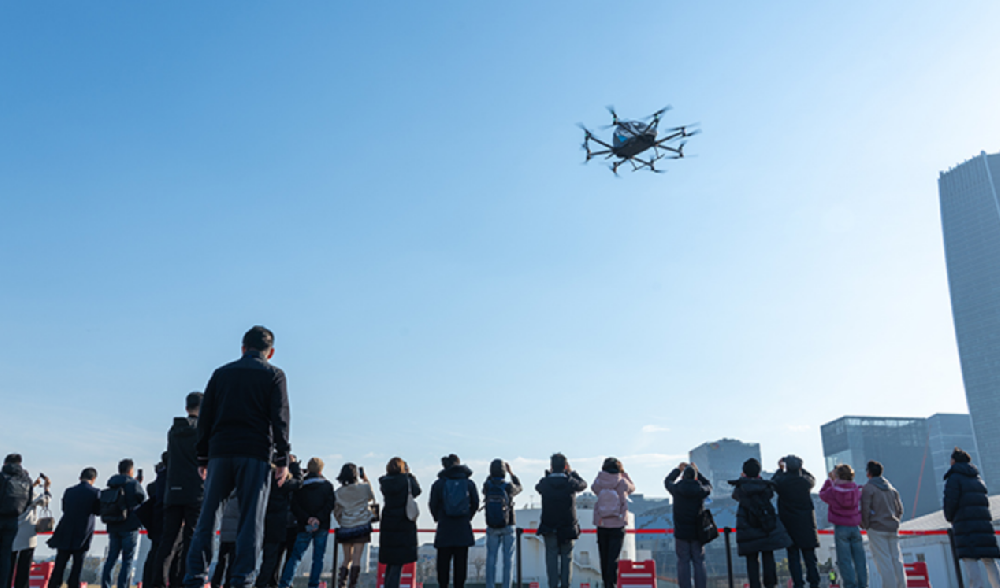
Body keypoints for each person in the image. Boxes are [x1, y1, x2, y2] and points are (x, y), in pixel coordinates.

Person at [185, 326, 291, 588]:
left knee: (208, 517)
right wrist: (282, 458)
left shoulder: (221, 374)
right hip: (256, 453)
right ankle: (241, 580)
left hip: (220, 452)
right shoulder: (274, 375)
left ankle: (196, 577)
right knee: (251, 522)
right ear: (271, 352)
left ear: (242, 348)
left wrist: (202, 457)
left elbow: (206, 416)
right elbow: (280, 418)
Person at [154, 392, 205, 588]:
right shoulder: (202, 430)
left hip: (173, 490)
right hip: (195, 490)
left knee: (168, 541)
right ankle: (183, 581)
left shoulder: (173, 431)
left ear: (186, 408)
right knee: (191, 540)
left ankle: (158, 581)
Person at [943, 447, 1000, 588]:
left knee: (970, 559)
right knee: (989, 559)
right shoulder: (977, 478)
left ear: (954, 461)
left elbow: (950, 501)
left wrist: (949, 517)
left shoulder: (954, 478)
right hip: (983, 524)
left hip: (965, 524)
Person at [731, 458, 792, 588]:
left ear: (744, 472)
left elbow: (735, 495)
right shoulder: (766, 487)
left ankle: (755, 585)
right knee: (768, 555)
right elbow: (770, 492)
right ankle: (770, 584)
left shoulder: (741, 488)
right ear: (759, 472)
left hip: (747, 526)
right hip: (765, 525)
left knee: (751, 559)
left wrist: (744, 479)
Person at [278, 458, 334, 588]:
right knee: (318, 558)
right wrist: (318, 518)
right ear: (321, 470)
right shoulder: (327, 486)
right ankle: (313, 584)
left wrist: (307, 518)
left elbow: (295, 505)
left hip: (304, 525)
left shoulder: (301, 485)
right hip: (322, 525)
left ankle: (284, 583)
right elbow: (329, 505)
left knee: (296, 556)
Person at [535, 453, 587, 588]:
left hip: (549, 525)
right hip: (567, 526)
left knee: (551, 558)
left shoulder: (545, 483)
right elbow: (583, 484)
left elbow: (538, 487)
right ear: (565, 466)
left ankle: (552, 585)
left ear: (551, 466)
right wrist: (572, 473)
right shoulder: (570, 483)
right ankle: (565, 585)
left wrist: (548, 475)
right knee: (567, 557)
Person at [429, 454, 479, 588]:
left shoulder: (439, 484)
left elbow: (432, 504)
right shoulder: (469, 483)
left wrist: (438, 518)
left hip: (444, 528)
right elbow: (475, 503)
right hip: (462, 528)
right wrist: (467, 517)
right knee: (461, 565)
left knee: (443, 565)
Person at [46, 468, 100, 588]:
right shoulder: (95, 493)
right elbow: (97, 511)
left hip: (66, 529)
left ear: (80, 477)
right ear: (94, 479)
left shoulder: (69, 491)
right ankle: (73, 585)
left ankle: (54, 585)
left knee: (60, 563)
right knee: (77, 565)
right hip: (83, 532)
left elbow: (64, 508)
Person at [773, 456, 820, 588]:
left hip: (789, 524)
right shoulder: (805, 482)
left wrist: (780, 470)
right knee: (810, 556)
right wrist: (801, 468)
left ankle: (798, 583)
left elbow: (773, 482)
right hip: (806, 524)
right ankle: (814, 582)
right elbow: (812, 478)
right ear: (799, 467)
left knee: (793, 556)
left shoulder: (782, 482)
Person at [101, 458, 147, 588]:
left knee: (111, 559)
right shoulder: (133, 484)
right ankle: (122, 586)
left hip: (113, 525)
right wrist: (138, 483)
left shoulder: (111, 484)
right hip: (130, 526)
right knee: (127, 560)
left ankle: (106, 585)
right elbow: (142, 498)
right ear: (131, 470)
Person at [665, 462, 712, 588]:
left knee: (683, 562)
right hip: (697, 533)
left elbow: (667, 481)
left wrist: (677, 470)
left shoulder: (676, 489)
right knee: (699, 561)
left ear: (683, 477)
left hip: (681, 533)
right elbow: (709, 485)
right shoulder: (700, 490)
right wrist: (698, 473)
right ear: (695, 477)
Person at [257, 459, 303, 588]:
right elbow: (298, 482)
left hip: (264, 522)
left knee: (269, 558)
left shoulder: (265, 478)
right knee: (271, 560)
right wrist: (294, 465)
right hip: (278, 524)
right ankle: (263, 583)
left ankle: (267, 582)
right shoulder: (280, 481)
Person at [819, 465, 867, 588]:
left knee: (844, 560)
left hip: (841, 527)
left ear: (838, 475)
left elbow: (822, 494)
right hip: (855, 527)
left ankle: (850, 585)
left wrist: (830, 480)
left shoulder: (833, 491)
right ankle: (863, 584)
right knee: (860, 559)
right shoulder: (857, 490)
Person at [591, 458, 635, 588]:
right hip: (618, 523)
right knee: (613, 558)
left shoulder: (599, 481)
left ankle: (606, 583)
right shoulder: (622, 481)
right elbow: (632, 488)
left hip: (602, 523)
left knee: (603, 556)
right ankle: (612, 584)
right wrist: (625, 474)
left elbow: (594, 488)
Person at [860, 461, 905, 588]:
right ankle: (902, 585)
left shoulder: (868, 488)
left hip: (876, 528)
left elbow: (865, 509)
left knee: (884, 561)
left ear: (868, 473)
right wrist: (895, 520)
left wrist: (866, 525)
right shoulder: (891, 489)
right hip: (892, 527)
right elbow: (900, 510)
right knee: (896, 559)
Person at [379, 458, 421, 588]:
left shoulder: (385, 483)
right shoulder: (407, 481)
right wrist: (409, 474)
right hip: (403, 523)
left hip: (388, 524)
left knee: (391, 563)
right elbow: (417, 491)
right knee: (398, 563)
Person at [334, 463, 378, 588]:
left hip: (346, 526)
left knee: (346, 558)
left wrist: (341, 520)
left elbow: (336, 510)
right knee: (357, 559)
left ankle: (341, 583)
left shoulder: (339, 492)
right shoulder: (364, 488)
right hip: (361, 526)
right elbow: (372, 497)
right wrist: (366, 479)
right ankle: (352, 584)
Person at [482, 460, 522, 588]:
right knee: (508, 559)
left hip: (492, 525)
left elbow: (486, 487)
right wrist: (511, 473)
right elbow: (519, 487)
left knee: (491, 558)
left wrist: (491, 475)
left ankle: (490, 585)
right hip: (508, 524)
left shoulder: (487, 486)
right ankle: (506, 586)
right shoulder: (508, 487)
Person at [11, 472, 51, 588]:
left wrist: (33, 486)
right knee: (23, 569)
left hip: (10, 534)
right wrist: (46, 488)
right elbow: (45, 500)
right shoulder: (31, 493)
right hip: (27, 536)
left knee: (7, 567)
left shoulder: (7, 491)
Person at [1, 454, 34, 588]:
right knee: (6, 556)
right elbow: (29, 501)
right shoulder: (27, 480)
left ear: (5, 463)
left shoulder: (2, 477)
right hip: (14, 520)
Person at [213, 494, 240, 588]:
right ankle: (227, 583)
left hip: (224, 533)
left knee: (221, 560)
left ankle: (215, 582)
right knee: (232, 562)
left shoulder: (226, 498)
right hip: (235, 534)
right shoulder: (240, 499)